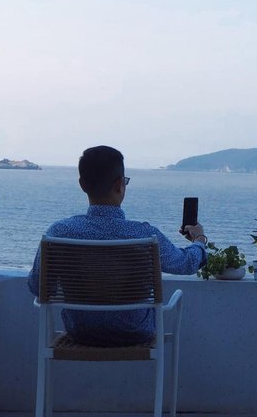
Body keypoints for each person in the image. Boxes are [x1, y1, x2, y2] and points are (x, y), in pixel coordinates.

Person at [28, 145, 207, 346]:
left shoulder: (58, 233)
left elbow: (37, 286)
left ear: (82, 185)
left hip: (80, 333)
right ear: (120, 185)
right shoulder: (144, 234)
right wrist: (199, 239)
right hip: (135, 334)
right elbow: (186, 264)